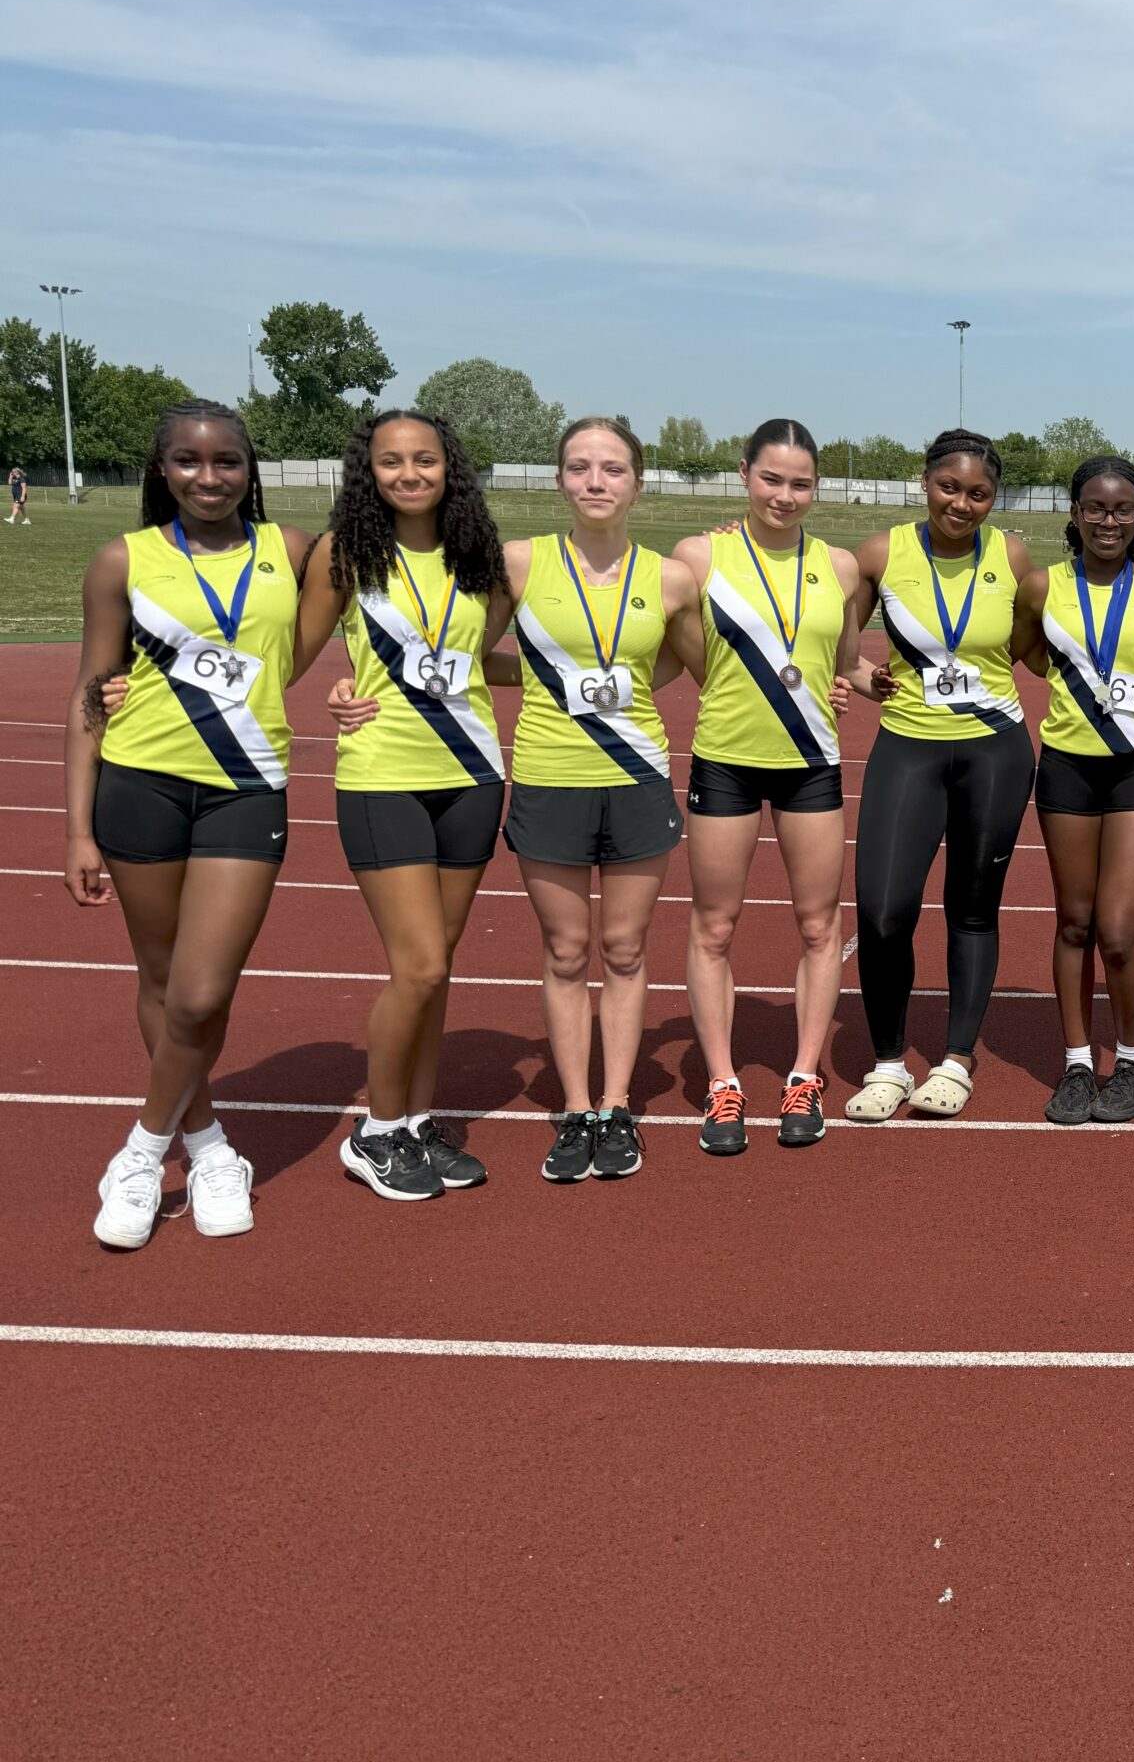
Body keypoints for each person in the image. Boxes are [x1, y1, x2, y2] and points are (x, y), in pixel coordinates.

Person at [66, 399, 316, 1250]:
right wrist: (76, 830)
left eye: (226, 462)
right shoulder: (122, 559)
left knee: (204, 993)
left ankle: (140, 1150)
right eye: (188, 461)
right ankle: (207, 1146)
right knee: (164, 977)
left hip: (246, 789)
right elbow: (88, 694)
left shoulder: (291, 551)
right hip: (141, 783)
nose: (208, 478)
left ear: (251, 469)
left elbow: (391, 568)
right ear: (162, 469)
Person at [303, 410, 510, 1201]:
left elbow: (479, 658)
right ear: (370, 471)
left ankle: (418, 1121)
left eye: (425, 459)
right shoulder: (346, 554)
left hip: (472, 774)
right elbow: (285, 656)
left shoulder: (478, 556)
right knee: (418, 965)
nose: (410, 474)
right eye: (391, 461)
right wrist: (337, 688)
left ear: (449, 466)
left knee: (438, 965)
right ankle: (377, 1130)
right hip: (381, 774)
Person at [502, 417, 704, 1183]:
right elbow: (467, 653)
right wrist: (552, 681)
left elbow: (693, 663)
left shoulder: (671, 579)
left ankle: (616, 1106)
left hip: (636, 777)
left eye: (613, 469)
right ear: (560, 479)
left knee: (623, 949)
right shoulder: (519, 563)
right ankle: (575, 1108)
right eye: (580, 467)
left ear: (637, 484)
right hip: (549, 774)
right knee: (565, 950)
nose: (596, 481)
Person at [839, 428, 1039, 1124]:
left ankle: (957, 1059)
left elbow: (1031, 647)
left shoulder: (1012, 555)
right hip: (909, 747)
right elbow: (839, 645)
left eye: (978, 493)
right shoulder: (880, 552)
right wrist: (866, 680)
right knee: (882, 911)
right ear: (924, 482)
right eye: (949, 487)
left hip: (995, 752)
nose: (961, 503)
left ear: (993, 498)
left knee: (973, 910)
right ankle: (888, 1063)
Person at [672, 419, 857, 1154]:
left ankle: (804, 1076)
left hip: (811, 761)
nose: (785, 495)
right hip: (726, 758)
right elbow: (687, 654)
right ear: (744, 472)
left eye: (800, 484)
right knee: (715, 927)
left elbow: (845, 663)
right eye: (771, 479)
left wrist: (866, 684)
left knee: (818, 926)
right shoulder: (698, 556)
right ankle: (722, 1084)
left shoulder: (839, 566)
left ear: (817, 487)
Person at [1030, 456, 1134, 1126]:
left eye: (1121, 509)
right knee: (1073, 922)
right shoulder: (1043, 585)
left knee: (1118, 931)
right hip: (1067, 764)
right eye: (1095, 507)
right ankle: (1076, 1063)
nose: (1108, 520)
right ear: (1075, 512)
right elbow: (1027, 651)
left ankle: (1133, 1063)